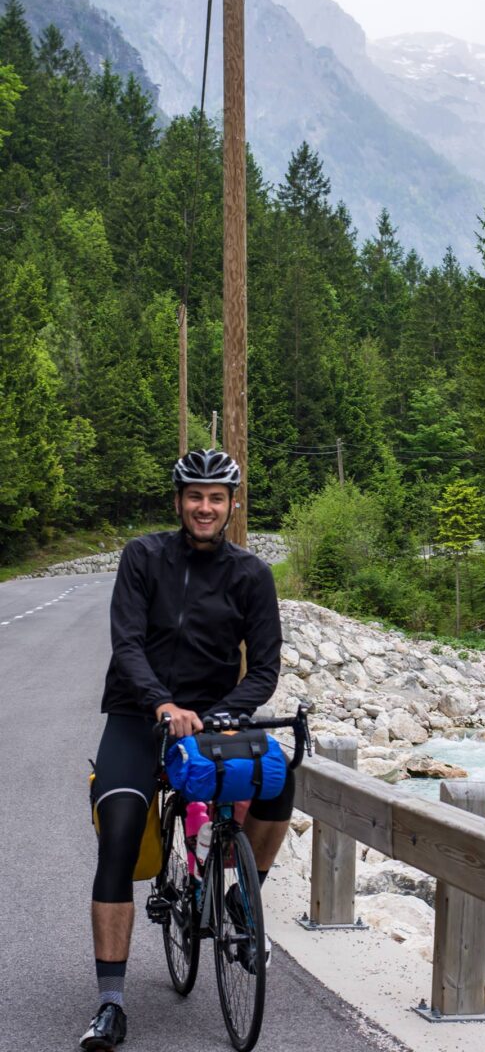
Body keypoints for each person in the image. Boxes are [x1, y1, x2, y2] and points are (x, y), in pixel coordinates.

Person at [80, 449, 291, 1052]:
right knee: (119, 831)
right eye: (194, 496)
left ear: (231, 506)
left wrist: (227, 709)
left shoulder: (251, 574)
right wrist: (161, 704)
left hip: (213, 717)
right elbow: (127, 643)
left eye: (216, 498)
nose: (205, 507)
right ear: (178, 501)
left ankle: (241, 895)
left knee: (279, 778)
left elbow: (266, 668)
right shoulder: (143, 557)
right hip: (137, 714)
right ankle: (111, 1003)